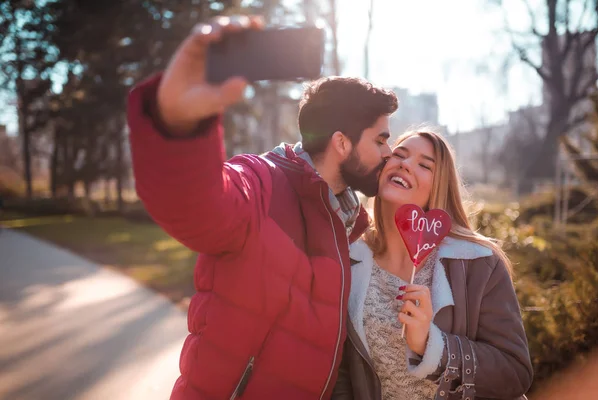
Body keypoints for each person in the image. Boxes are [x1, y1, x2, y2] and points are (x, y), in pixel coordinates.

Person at [126, 15, 399, 400]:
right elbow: (193, 204)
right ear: (341, 143)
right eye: (381, 140)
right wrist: (176, 122)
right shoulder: (261, 183)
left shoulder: (352, 226)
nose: (390, 153)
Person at [333, 128, 534, 400]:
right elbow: (342, 373)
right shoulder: (348, 257)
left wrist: (431, 345)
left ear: (439, 187)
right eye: (399, 155)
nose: (405, 164)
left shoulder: (478, 263)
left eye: (424, 165)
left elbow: (514, 372)